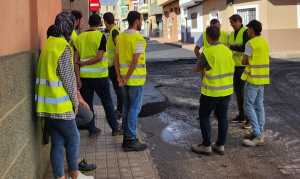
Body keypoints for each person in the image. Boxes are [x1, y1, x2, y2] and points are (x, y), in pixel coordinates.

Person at [35, 12, 93, 179]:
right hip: (60, 106)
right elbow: (68, 80)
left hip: (46, 105)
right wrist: (76, 103)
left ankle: (60, 177)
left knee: (58, 143)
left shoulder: (49, 44)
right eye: (72, 24)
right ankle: (74, 173)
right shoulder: (63, 47)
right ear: (68, 26)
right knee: (73, 137)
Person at [74, 14, 121, 137]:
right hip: (100, 77)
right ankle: (115, 128)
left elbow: (76, 61)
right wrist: (84, 63)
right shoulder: (100, 36)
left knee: (88, 104)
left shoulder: (79, 37)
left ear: (89, 23)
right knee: (107, 103)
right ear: (100, 23)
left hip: (85, 77)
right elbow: (99, 57)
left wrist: (78, 78)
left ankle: (92, 129)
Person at [191, 26, 235, 156]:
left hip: (211, 92)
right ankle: (220, 145)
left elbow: (199, 68)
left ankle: (206, 145)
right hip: (226, 91)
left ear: (208, 37)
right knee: (222, 117)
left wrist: (199, 68)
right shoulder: (227, 51)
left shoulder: (208, 52)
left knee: (204, 116)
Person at [115, 11, 147, 152]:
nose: (142, 22)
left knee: (127, 108)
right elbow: (135, 60)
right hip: (135, 81)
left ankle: (127, 139)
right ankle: (131, 139)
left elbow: (115, 59)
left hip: (124, 80)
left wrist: (119, 77)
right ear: (136, 21)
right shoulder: (139, 38)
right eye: (141, 19)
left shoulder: (121, 37)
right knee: (134, 109)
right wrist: (126, 78)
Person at [241, 20, 270, 147]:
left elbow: (244, 61)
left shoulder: (250, 43)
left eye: (248, 29)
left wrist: (245, 59)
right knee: (259, 105)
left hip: (253, 79)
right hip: (262, 79)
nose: (247, 31)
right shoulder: (264, 41)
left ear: (252, 29)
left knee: (248, 106)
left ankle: (258, 135)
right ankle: (259, 131)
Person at [228, 14, 250, 128]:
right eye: (230, 23)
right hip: (235, 67)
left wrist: (231, 47)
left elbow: (245, 48)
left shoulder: (246, 32)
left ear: (239, 22)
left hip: (243, 66)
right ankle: (241, 116)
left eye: (232, 23)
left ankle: (248, 118)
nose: (231, 25)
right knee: (238, 92)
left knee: (243, 93)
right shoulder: (232, 34)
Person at [103, 12, 124, 119]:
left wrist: (118, 67)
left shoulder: (114, 31)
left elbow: (119, 48)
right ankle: (120, 110)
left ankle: (120, 111)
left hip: (114, 66)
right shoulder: (113, 31)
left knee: (118, 90)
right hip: (112, 66)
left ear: (105, 21)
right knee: (118, 89)